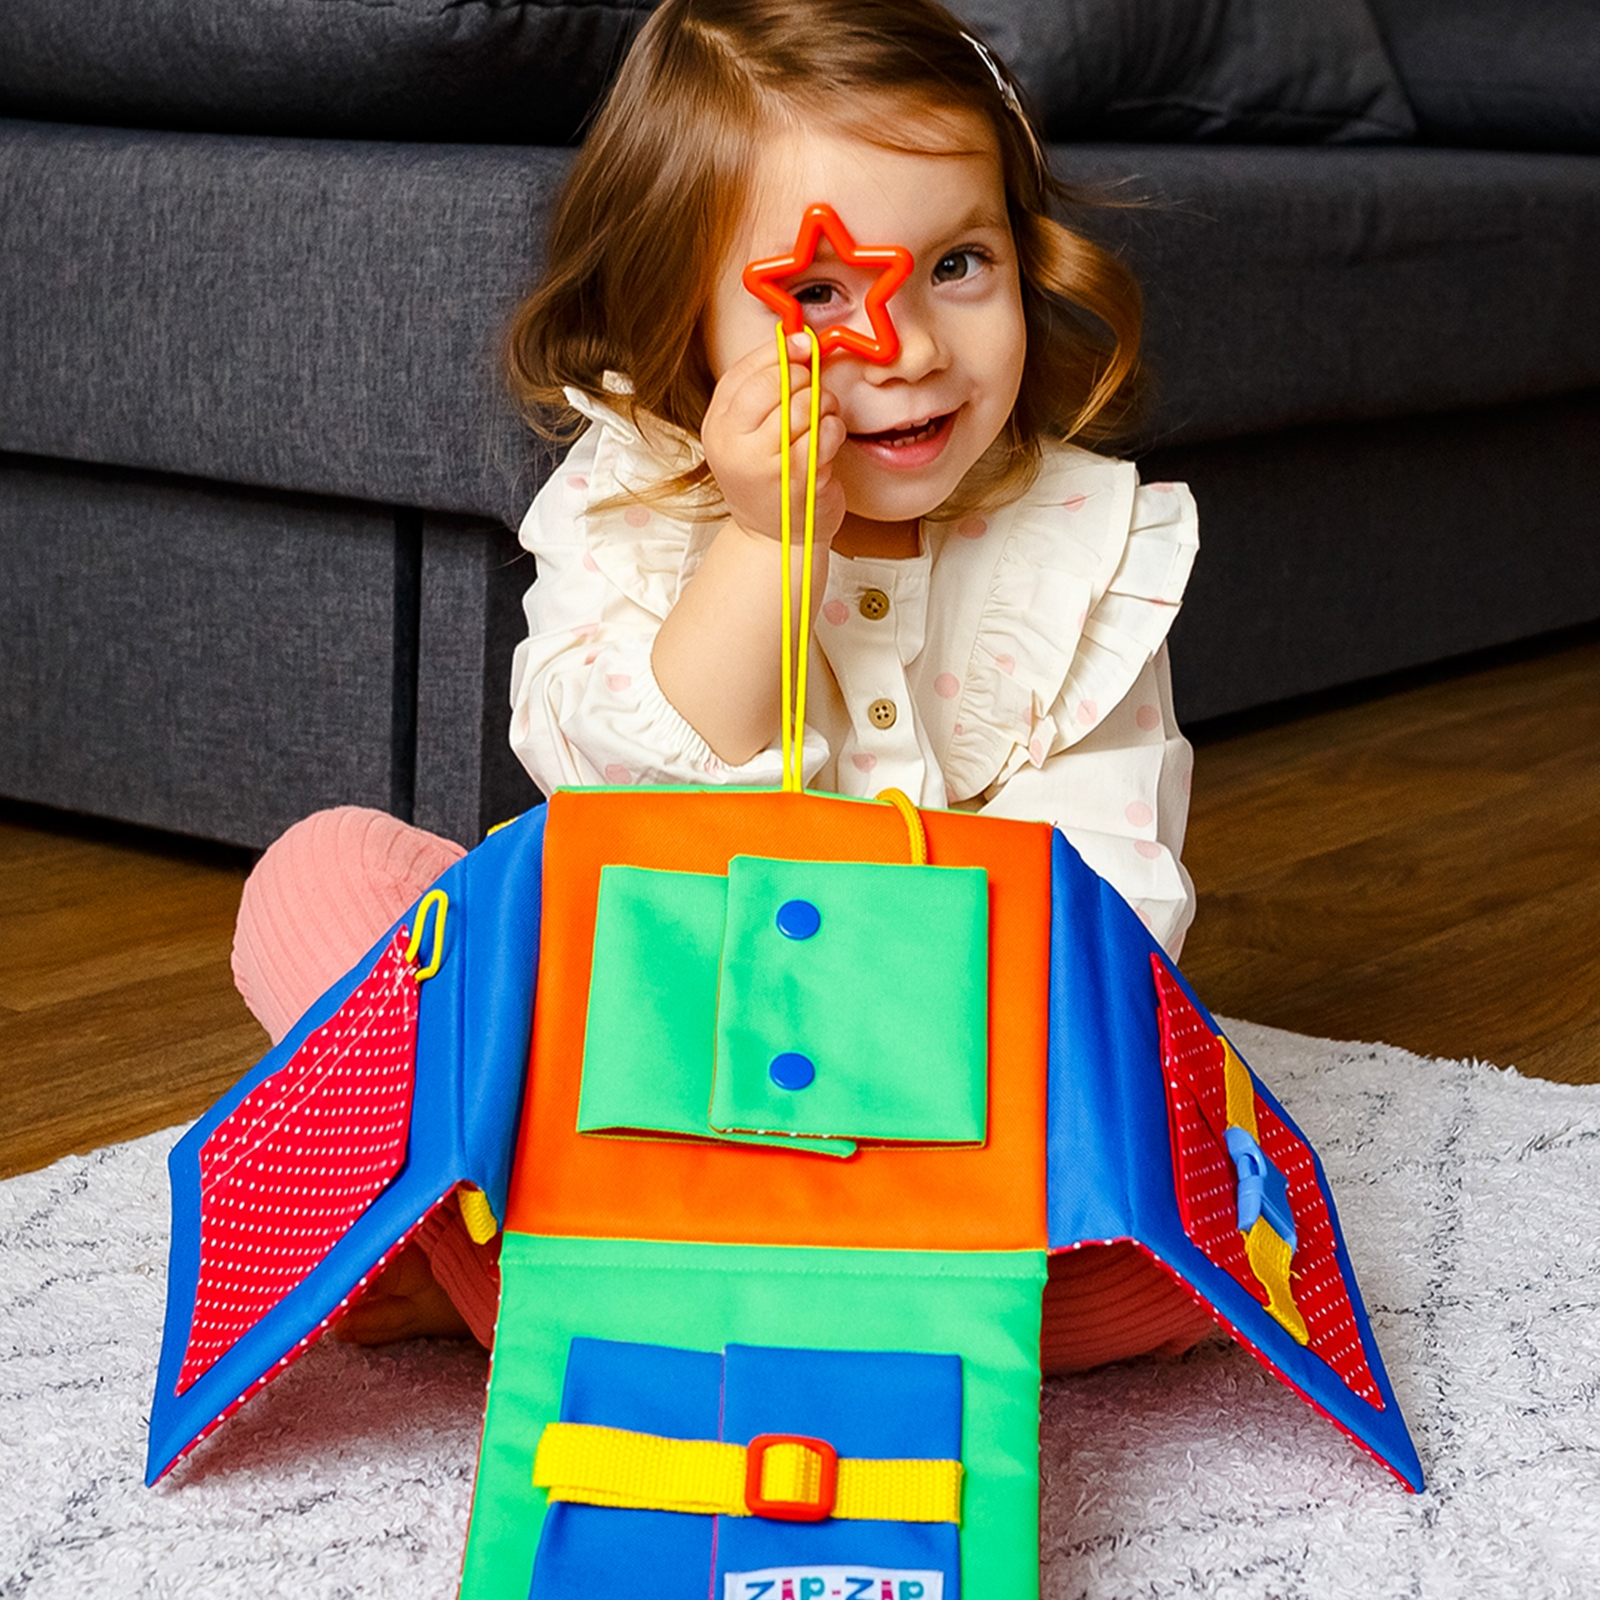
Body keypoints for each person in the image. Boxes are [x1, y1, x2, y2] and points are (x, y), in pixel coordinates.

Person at [230, 0, 1212, 1365]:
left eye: (960, 264)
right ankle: (660, 1274)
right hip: (635, 1062)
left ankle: (533, 1289)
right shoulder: (634, 503)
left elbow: (1114, 903)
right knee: (321, 878)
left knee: (1195, 1242)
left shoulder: (1078, 546)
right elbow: (600, 778)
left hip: (939, 1098)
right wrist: (765, 545)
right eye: (819, 296)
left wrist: (929, 1082)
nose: (910, 345)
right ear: (681, 320)